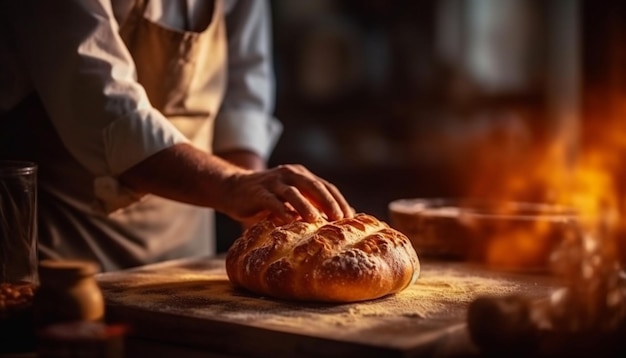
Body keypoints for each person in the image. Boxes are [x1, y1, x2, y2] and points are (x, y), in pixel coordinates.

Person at [0, 0, 354, 271]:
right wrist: (233, 185)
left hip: (190, 238)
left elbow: (243, 89)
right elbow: (100, 106)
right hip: (71, 237)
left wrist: (259, 203)